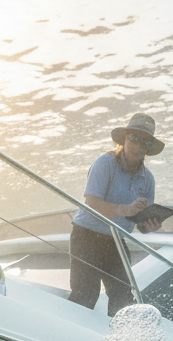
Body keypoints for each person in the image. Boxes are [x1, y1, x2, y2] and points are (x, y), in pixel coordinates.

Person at [68, 113, 165, 316]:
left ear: (148, 148)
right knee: (85, 293)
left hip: (116, 240)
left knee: (123, 298)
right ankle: (65, 340)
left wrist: (150, 225)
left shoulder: (148, 180)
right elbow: (92, 203)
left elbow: (140, 225)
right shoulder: (105, 163)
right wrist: (125, 209)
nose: (138, 145)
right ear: (124, 139)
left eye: (144, 141)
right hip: (86, 235)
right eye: (134, 138)